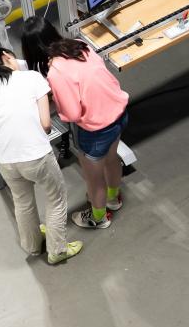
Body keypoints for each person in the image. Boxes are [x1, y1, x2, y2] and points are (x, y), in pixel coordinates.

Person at [0, 47, 83, 264]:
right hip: (35, 155)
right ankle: (57, 250)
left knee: (22, 202)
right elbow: (45, 125)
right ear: (6, 57)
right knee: (56, 199)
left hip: (5, 158)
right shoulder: (32, 78)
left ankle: (33, 246)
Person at [22, 17, 129, 230]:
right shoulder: (81, 47)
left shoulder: (56, 72)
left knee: (94, 179)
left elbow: (72, 113)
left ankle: (99, 218)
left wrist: (54, 102)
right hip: (119, 113)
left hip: (96, 129)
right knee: (112, 159)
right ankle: (113, 199)